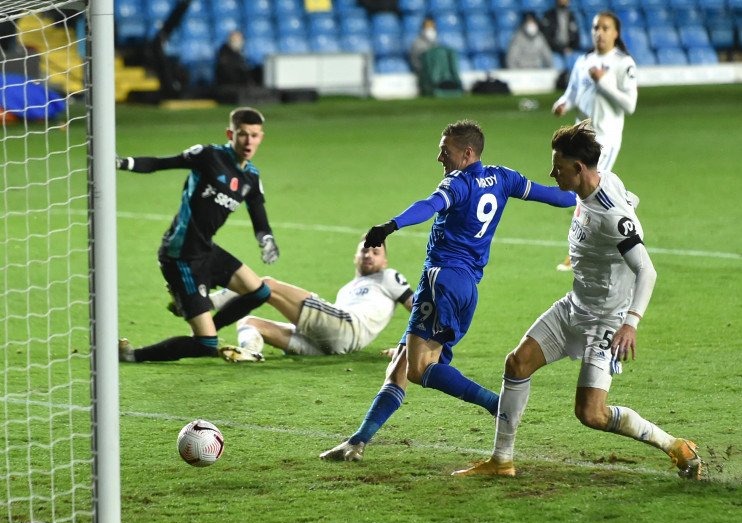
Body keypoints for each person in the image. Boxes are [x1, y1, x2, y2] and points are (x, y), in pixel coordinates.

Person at [452, 121, 702, 480]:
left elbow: (647, 270)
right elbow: (631, 200)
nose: (552, 173)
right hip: (574, 305)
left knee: (591, 414)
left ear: (579, 169)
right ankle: (501, 460)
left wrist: (630, 323)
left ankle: (675, 446)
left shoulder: (612, 218)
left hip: (607, 321)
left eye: (558, 167)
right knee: (516, 363)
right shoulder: (604, 182)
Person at [319, 120, 577, 462]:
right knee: (400, 366)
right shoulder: (504, 177)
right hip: (466, 285)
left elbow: (429, 205)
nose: (440, 157)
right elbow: (558, 197)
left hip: (441, 281)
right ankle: (357, 442)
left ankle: (497, 405)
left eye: (446, 150)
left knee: (418, 368)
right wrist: (592, 193)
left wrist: (390, 225)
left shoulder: (458, 183)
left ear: (467, 153)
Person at [117, 107, 280, 363]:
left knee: (260, 292)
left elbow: (259, 217)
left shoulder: (251, 176)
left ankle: (200, 316)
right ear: (231, 133)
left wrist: (266, 240)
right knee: (205, 345)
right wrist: (123, 163)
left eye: (255, 135)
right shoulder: (208, 155)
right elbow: (161, 163)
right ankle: (132, 355)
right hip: (180, 255)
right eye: (243, 134)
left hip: (206, 249)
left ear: (261, 137)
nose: (249, 141)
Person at [212, 237, 413, 360]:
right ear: (355, 257)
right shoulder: (346, 289)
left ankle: (209, 302)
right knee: (248, 322)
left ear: (384, 261)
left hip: (349, 326)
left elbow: (416, 308)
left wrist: (407, 349)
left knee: (268, 285)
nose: (369, 254)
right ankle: (249, 353)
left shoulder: (389, 276)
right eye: (364, 250)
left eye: (375, 252)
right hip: (330, 345)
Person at [552, 10, 637, 271]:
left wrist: (604, 83)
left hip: (606, 139)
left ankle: (580, 250)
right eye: (596, 28)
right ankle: (627, 211)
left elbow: (630, 104)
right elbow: (572, 94)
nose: (599, 33)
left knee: (588, 192)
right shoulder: (583, 62)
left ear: (616, 33)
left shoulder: (624, 63)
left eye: (605, 28)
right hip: (581, 137)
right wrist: (563, 104)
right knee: (593, 192)